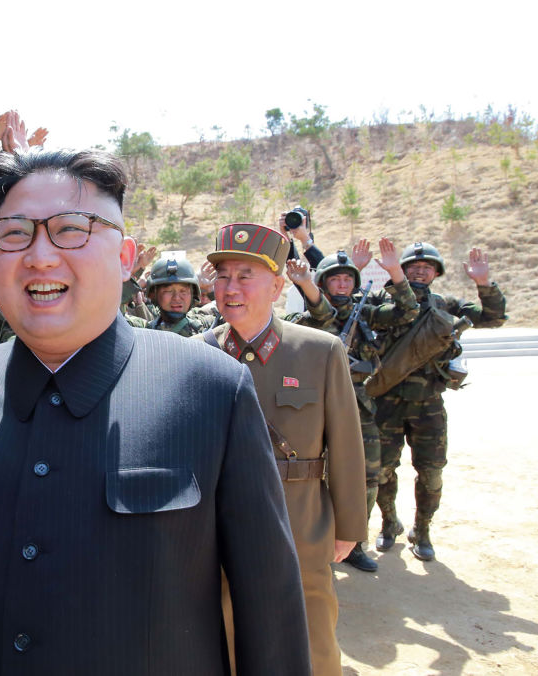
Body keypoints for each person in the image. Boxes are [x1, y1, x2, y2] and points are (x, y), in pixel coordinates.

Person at [0, 149, 310, 675]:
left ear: (125, 257)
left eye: (71, 229)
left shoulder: (211, 390)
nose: (40, 257)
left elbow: (269, 609)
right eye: (15, 233)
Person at [204, 222, 366, 676]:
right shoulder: (196, 352)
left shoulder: (319, 351)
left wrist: (349, 526)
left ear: (277, 287)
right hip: (216, 523)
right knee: (224, 632)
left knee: (311, 639)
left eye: (245, 276)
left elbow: (346, 446)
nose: (231, 288)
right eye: (223, 276)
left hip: (300, 519)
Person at [286, 238, 420, 573]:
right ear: (323, 283)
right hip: (316, 411)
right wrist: (306, 286)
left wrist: (396, 273)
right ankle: (317, 541)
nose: (343, 284)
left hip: (360, 407)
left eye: (348, 278)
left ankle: (354, 543)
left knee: (369, 476)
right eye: (336, 279)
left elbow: (408, 312)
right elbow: (322, 317)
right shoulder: (305, 318)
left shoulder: (366, 313)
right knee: (314, 477)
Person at [371, 242, 507, 561]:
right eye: (414, 267)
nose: (420, 271)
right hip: (387, 403)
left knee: (431, 473)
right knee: (381, 471)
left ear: (436, 273)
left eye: (427, 267)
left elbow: (493, 317)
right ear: (403, 270)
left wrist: (483, 283)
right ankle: (389, 522)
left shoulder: (446, 305)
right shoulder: (380, 301)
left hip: (429, 406)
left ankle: (422, 530)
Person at [129, 256, 219, 336]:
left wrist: (211, 292)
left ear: (193, 295)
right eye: (168, 291)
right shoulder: (142, 331)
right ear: (154, 295)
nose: (176, 298)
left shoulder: (206, 326)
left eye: (183, 291)